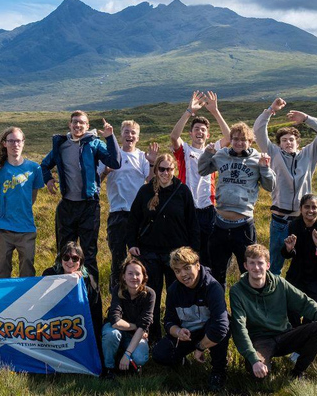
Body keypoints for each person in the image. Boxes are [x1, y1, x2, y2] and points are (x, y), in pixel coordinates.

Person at [230, 244, 317, 380]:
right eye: (252, 263)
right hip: (261, 341)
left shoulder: (279, 283)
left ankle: (298, 372)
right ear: (245, 265)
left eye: (260, 263)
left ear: (267, 265)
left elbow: (305, 303)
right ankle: (261, 366)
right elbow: (239, 327)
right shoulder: (237, 291)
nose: (256, 268)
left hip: (284, 335)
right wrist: (253, 359)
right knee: (258, 376)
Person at [41, 111, 121, 284]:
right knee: (65, 254)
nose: (78, 126)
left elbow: (115, 162)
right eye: (75, 122)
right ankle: (63, 297)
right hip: (67, 206)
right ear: (69, 124)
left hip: (89, 207)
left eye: (82, 123)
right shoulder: (60, 145)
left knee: (88, 255)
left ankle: (92, 301)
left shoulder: (94, 144)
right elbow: (44, 164)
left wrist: (110, 138)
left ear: (87, 126)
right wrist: (48, 179)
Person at [254, 98, 317, 276]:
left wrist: (306, 118)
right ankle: (274, 298)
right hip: (280, 220)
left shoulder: (309, 155)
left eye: (291, 139)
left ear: (298, 142)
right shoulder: (273, 154)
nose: (288, 143)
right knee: (274, 265)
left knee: (305, 262)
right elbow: (258, 131)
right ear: (279, 143)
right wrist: (270, 110)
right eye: (284, 140)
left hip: (303, 221)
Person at [126, 153, 199, 341]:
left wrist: (193, 252)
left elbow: (192, 223)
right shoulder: (145, 191)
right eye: (162, 169)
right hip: (149, 252)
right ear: (156, 170)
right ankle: (152, 336)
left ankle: (176, 337)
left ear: (175, 170)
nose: (166, 173)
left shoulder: (183, 191)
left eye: (169, 169)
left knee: (177, 296)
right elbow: (133, 219)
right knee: (152, 296)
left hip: (177, 255)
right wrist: (132, 244)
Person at [198, 122, 275, 285]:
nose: (239, 143)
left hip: (243, 227)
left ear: (250, 142)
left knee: (248, 272)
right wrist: (208, 153)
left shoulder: (258, 159)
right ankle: (220, 310)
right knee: (217, 272)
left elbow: (270, 187)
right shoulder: (221, 155)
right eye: (235, 139)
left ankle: (246, 308)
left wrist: (265, 168)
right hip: (220, 225)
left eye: (243, 139)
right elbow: (202, 170)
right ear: (230, 140)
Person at [152, 247, 230, 392]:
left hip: (210, 332)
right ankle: (180, 361)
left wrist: (201, 347)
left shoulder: (213, 287)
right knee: (159, 354)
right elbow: (168, 321)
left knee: (220, 330)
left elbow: (221, 325)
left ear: (197, 265)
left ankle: (218, 372)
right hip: (187, 334)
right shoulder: (173, 290)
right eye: (177, 271)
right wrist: (178, 331)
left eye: (187, 268)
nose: (183, 274)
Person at [170, 91, 230, 267]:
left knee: (208, 252)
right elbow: (174, 137)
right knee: (187, 253)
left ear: (208, 135)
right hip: (186, 208)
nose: (200, 132)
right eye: (196, 129)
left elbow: (228, 138)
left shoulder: (212, 149)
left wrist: (215, 112)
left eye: (203, 130)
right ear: (190, 133)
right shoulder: (184, 150)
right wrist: (189, 111)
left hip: (208, 208)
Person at [98, 119, 158, 288]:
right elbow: (99, 179)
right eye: (126, 132)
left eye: (133, 133)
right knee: (117, 260)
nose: (129, 135)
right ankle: (117, 300)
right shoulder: (111, 156)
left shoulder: (142, 157)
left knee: (139, 259)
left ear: (138, 137)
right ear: (121, 134)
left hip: (138, 215)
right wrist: (105, 171)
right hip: (117, 213)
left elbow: (151, 181)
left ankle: (140, 298)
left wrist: (152, 162)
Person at [0, 127, 44, 278]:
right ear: (4, 144)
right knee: (2, 270)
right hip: (3, 230)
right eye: (11, 141)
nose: (15, 144)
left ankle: (26, 300)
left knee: (28, 269)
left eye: (18, 141)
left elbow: (32, 197)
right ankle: (3, 301)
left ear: (23, 143)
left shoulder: (34, 168)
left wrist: (22, 210)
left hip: (26, 228)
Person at [280, 194, 317, 365]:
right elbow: (289, 255)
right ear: (301, 209)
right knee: (293, 315)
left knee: (313, 319)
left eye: (314, 207)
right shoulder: (294, 225)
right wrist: (289, 248)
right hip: (297, 278)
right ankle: (299, 348)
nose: (310, 211)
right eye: (307, 207)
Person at [42, 241, 103, 354]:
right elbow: (43, 301)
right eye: (66, 257)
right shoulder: (49, 275)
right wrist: (66, 279)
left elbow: (94, 312)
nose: (70, 261)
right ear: (61, 259)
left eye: (75, 258)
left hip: (78, 325)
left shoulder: (88, 281)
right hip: (54, 323)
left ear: (80, 262)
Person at [101, 256, 155, 379]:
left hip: (135, 335)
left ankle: (127, 362)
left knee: (140, 357)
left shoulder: (150, 294)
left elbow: (144, 325)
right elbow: (115, 322)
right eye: (130, 273)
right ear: (124, 277)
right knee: (111, 334)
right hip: (118, 330)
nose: (134, 277)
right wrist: (137, 327)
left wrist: (127, 354)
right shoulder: (118, 290)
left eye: (138, 274)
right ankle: (109, 368)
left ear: (144, 277)